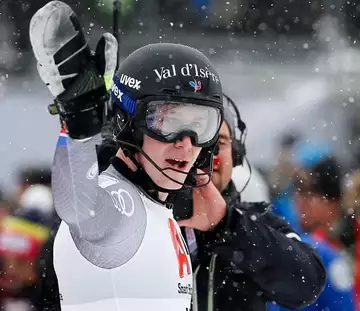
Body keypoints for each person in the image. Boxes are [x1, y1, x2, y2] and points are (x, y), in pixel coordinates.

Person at [29, 1, 227, 310]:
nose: (186, 145)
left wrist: (226, 223)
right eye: (167, 122)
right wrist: (81, 125)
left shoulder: (157, 207)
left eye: (201, 126)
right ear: (128, 123)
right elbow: (80, 210)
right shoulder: (119, 203)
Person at [170, 94, 326, 311]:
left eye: (219, 143)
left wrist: (228, 225)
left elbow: (308, 282)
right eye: (199, 141)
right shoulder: (149, 217)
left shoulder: (256, 220)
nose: (207, 155)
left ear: (236, 154)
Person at [268, 144, 356, 311]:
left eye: (306, 192)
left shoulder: (337, 247)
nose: (298, 200)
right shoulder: (298, 242)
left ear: (331, 200)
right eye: (296, 191)